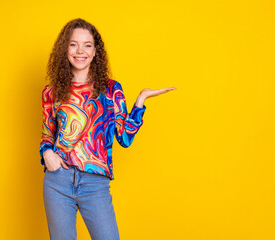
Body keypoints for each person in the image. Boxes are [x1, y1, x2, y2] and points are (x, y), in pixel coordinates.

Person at [39, 18, 176, 240]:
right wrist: (46, 154)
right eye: (73, 44)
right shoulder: (51, 92)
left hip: (95, 184)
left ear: (95, 52)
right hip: (58, 182)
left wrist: (140, 101)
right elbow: (47, 134)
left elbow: (124, 138)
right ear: (65, 49)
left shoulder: (111, 89)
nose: (80, 51)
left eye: (87, 45)